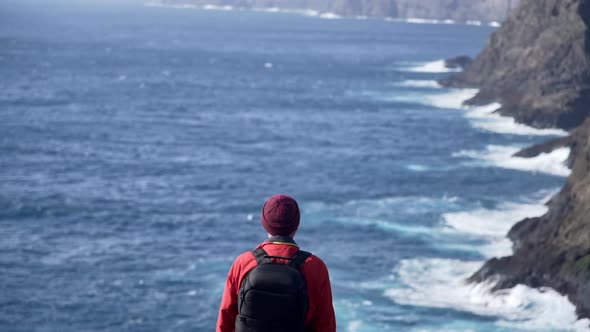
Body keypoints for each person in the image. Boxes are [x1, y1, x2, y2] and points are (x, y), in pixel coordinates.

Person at [216, 194, 336, 332]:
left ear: (265, 224)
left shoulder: (244, 263)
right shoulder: (314, 266)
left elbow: (225, 322)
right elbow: (326, 326)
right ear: (296, 225)